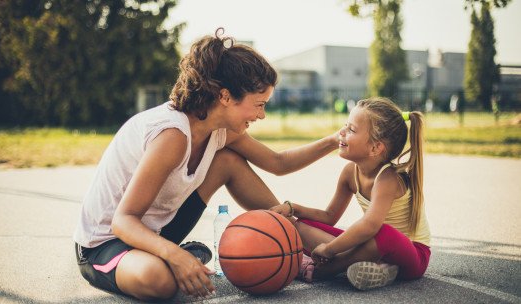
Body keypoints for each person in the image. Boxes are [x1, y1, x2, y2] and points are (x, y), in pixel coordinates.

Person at [73, 28, 339, 301]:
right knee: (158, 281)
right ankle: (180, 257)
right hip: (106, 243)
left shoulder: (221, 130)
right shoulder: (172, 135)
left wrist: (333, 141)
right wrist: (176, 256)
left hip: (157, 231)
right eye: (258, 105)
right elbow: (123, 221)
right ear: (225, 97)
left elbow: (278, 163)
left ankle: (320, 248)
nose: (262, 115)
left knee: (228, 161)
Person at [271, 97, 430, 290]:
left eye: (351, 130)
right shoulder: (349, 172)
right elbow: (329, 217)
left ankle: (325, 269)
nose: (342, 132)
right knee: (301, 224)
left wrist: (329, 250)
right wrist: (293, 208)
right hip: (370, 247)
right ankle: (375, 268)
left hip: (411, 254)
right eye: (345, 126)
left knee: (383, 233)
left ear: (375, 147)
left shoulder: (388, 178)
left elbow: (370, 225)